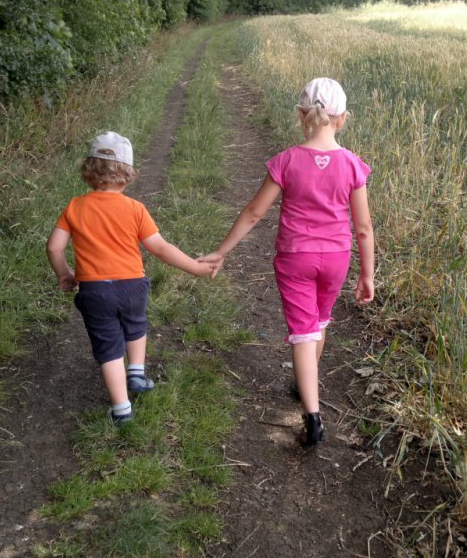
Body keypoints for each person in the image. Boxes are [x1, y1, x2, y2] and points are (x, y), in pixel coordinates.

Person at [199, 78, 374, 446]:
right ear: (343, 118)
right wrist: (367, 274)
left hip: (296, 258)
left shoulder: (287, 161)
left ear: (301, 115)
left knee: (303, 331)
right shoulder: (354, 166)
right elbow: (363, 229)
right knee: (319, 321)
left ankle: (312, 415)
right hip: (337, 258)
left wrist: (222, 250)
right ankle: (307, 382)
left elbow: (252, 213)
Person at [46, 131, 214, 426]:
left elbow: (54, 246)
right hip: (132, 286)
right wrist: (195, 267)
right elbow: (160, 248)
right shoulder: (135, 209)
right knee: (135, 325)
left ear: (88, 170)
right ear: (128, 174)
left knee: (108, 347)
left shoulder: (75, 207)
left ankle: (121, 408)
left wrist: (64, 274)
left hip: (94, 290)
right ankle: (136, 370)